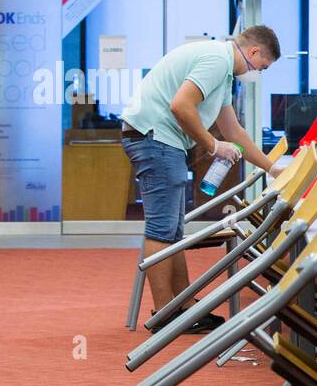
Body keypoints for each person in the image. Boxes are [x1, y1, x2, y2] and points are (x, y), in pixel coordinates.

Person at [120, 25, 284, 332]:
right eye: (261, 67)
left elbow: (233, 131)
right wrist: (212, 145)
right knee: (161, 229)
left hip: (160, 140)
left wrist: (271, 168)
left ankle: (182, 305)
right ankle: (164, 314)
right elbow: (180, 105)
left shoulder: (221, 72)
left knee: (173, 228)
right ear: (253, 52)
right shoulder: (216, 60)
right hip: (155, 139)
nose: (257, 74)